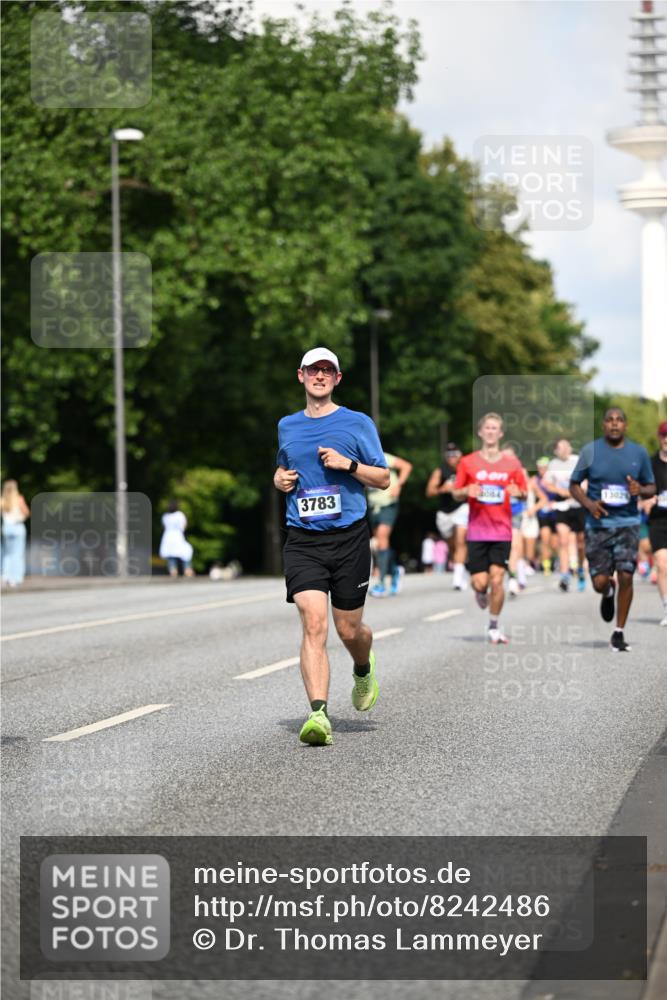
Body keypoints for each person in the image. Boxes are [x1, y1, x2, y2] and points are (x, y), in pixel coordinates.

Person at [273, 347, 389, 747]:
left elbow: (384, 479)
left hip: (349, 538)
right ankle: (319, 714)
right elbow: (284, 466)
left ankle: (363, 666)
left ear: (337, 379)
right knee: (314, 623)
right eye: (313, 370)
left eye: (327, 370)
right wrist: (278, 479)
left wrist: (348, 465)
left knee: (348, 629)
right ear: (301, 375)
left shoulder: (357, 423)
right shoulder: (287, 425)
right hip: (303, 539)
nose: (320, 376)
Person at [569, 408, 655, 652]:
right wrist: (589, 504)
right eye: (610, 420)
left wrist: (640, 490)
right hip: (598, 525)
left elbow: (651, 487)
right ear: (603, 425)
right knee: (599, 581)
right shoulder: (590, 451)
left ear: (625, 425)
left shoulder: (638, 452)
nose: (614, 424)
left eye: (619, 420)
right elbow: (574, 485)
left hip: (628, 523)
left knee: (626, 574)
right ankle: (607, 591)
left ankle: (619, 632)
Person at [452, 413, 527, 643]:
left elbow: (524, 492)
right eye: (488, 428)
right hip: (477, 531)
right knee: (481, 582)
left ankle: (494, 626)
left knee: (497, 579)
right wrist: (467, 491)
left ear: (500, 433)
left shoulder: (512, 463)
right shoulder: (468, 462)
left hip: (502, 531)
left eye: (495, 428)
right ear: (480, 432)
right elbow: (456, 493)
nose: (491, 431)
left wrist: (519, 492)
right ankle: (478, 590)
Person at [367, 450, 413, 597]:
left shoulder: (381, 456)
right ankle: (394, 571)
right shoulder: (359, 460)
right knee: (381, 544)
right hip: (373, 507)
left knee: (382, 538)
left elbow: (406, 466)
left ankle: (381, 583)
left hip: (388, 504)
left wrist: (398, 485)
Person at [426, 443, 469, 590]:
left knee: (460, 541)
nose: (452, 457)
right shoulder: (440, 471)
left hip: (462, 508)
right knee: (452, 546)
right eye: (449, 455)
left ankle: (457, 578)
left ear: (460, 455)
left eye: (455, 454)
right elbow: (429, 491)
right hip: (444, 513)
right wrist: (442, 489)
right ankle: (460, 568)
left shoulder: (466, 469)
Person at [546, 438, 586, 593]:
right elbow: (547, 483)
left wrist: (576, 491)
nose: (565, 450)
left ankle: (581, 569)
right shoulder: (553, 464)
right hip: (562, 506)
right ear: (556, 451)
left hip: (578, 505)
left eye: (567, 446)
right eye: (561, 447)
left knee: (581, 543)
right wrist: (559, 491)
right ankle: (565, 576)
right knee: (563, 541)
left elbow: (586, 481)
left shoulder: (577, 461)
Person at [645, 421, 667, 626]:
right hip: (658, 520)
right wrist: (646, 499)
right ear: (659, 437)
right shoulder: (650, 464)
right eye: (664, 435)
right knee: (661, 563)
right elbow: (641, 490)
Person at [1, 480, 30, 587]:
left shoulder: (2, 500)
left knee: (8, 554)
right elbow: (26, 512)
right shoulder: (19, 499)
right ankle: (16, 578)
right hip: (17, 527)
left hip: (6, 527)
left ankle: (6, 576)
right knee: (17, 554)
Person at [534, 456, 558, 574]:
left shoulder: (554, 480)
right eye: (540, 468)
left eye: (544, 468)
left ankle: (554, 561)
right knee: (545, 539)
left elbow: (561, 492)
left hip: (555, 513)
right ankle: (546, 565)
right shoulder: (535, 480)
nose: (542, 470)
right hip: (543, 514)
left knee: (555, 544)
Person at [159, 500, 194, 577]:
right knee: (186, 552)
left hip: (167, 537)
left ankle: (173, 571)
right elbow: (184, 526)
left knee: (171, 555)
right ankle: (187, 569)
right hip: (178, 536)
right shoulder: (180, 515)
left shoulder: (165, 516)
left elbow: (164, 527)